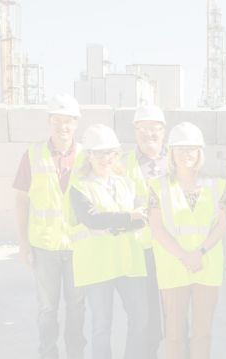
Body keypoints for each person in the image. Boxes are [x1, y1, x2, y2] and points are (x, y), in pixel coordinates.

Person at [14, 94, 87, 359]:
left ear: (76, 123)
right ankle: (48, 354)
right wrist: (23, 243)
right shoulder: (33, 155)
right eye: (57, 120)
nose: (63, 126)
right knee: (47, 309)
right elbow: (21, 202)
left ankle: (75, 354)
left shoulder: (87, 157)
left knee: (77, 307)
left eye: (68, 121)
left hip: (79, 247)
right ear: (49, 121)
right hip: (44, 246)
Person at [68, 124, 149, 359]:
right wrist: (127, 218)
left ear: (116, 155)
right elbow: (91, 219)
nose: (106, 159)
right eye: (99, 153)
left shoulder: (127, 183)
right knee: (102, 326)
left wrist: (122, 221)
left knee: (140, 319)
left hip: (129, 262)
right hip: (98, 266)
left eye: (110, 153)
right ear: (89, 156)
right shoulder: (79, 187)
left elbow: (141, 219)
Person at [148, 122, 226, 359]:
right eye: (181, 149)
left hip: (206, 267)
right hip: (173, 268)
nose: (187, 154)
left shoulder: (216, 185)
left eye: (192, 148)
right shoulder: (157, 187)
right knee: (174, 333)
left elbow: (222, 225)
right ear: (171, 152)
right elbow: (157, 228)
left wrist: (199, 253)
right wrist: (185, 256)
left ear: (200, 152)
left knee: (202, 333)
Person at [123, 103, 168, 358]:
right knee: (143, 317)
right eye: (143, 128)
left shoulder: (178, 160)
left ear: (163, 131)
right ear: (134, 131)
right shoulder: (123, 163)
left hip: (171, 249)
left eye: (154, 128)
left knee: (173, 314)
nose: (149, 134)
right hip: (140, 252)